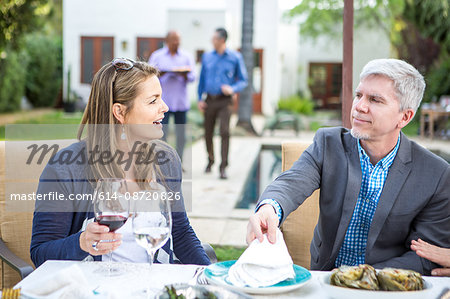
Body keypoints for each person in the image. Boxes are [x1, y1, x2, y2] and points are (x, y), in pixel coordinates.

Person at [246, 59, 449, 275]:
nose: (359, 106)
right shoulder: (328, 144)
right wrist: (269, 208)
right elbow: (291, 182)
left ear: (405, 117)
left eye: (375, 100)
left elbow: (426, 256)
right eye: (359, 95)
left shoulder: (436, 175)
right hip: (325, 280)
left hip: (387, 287)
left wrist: (357, 279)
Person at [30, 58, 210, 267]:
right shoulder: (65, 167)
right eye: (153, 101)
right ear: (120, 112)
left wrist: (213, 277)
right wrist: (81, 243)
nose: (165, 107)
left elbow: (181, 234)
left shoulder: (166, 159)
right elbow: (40, 253)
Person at [197, 27, 248, 179]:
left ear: (222, 40)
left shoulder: (235, 57)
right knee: (208, 132)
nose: (212, 41)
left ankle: (223, 166)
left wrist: (232, 88)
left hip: (225, 101)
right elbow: (202, 80)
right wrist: (200, 98)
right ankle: (210, 160)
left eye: (214, 39)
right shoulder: (207, 56)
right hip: (209, 100)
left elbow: (243, 80)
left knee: (225, 132)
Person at [149, 31, 195, 161]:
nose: (176, 43)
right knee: (161, 134)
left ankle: (178, 161)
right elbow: (149, 76)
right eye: (174, 40)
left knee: (181, 135)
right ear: (167, 41)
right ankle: (163, 161)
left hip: (181, 103)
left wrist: (184, 74)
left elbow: (193, 77)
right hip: (162, 104)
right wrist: (162, 74)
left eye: (178, 40)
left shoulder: (187, 56)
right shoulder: (157, 56)